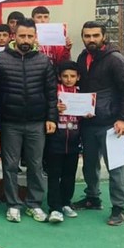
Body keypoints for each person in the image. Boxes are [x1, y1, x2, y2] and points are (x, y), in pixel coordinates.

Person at [0, 18, 57, 223]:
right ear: (14, 36)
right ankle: (13, 205)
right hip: (10, 122)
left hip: (37, 122)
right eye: (22, 36)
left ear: (35, 37)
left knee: (36, 166)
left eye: (29, 36)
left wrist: (51, 117)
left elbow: (51, 92)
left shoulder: (44, 61)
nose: (25, 40)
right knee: (10, 165)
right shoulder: (0, 59)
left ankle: (34, 204)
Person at [74, 21, 124, 226]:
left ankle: (118, 208)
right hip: (89, 122)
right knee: (89, 165)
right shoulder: (82, 57)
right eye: (87, 36)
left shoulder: (115, 59)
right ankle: (92, 198)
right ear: (82, 37)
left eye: (95, 35)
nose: (91, 39)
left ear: (104, 36)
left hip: (112, 124)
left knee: (115, 167)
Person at [45, 61, 83, 223]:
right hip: (55, 141)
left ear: (78, 77)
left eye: (72, 76)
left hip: (73, 142)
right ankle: (54, 208)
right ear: (59, 77)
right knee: (54, 175)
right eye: (65, 76)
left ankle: (66, 203)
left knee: (69, 175)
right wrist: (54, 108)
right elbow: (46, 109)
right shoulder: (54, 93)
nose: (69, 79)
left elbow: (86, 114)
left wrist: (87, 113)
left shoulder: (82, 94)